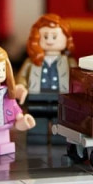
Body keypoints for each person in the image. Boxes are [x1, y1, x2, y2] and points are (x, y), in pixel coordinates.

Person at [17, 14, 76, 142]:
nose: (49, 40)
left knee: (60, 122)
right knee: (37, 122)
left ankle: (60, 140)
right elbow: (22, 77)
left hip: (61, 98)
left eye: (54, 36)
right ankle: (37, 139)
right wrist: (21, 86)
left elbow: (77, 80)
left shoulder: (69, 62)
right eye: (45, 36)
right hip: (37, 97)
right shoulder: (32, 61)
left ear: (66, 38)